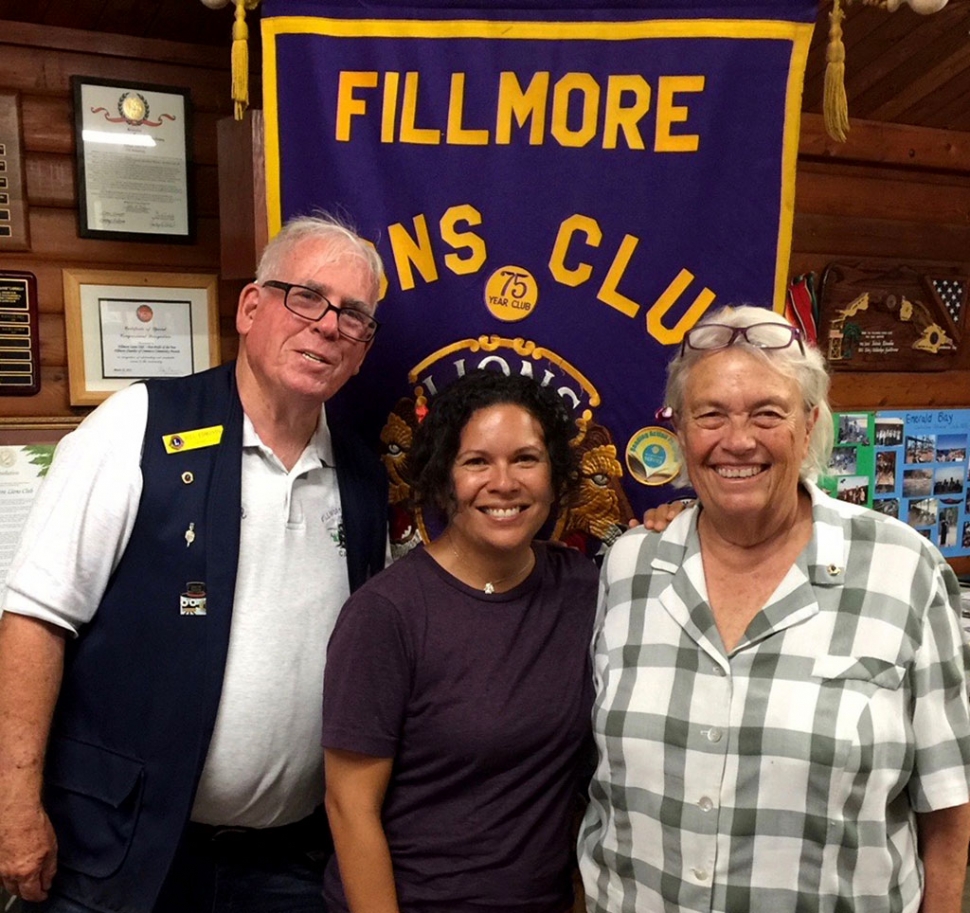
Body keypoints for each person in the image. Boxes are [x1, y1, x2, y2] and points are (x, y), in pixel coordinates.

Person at [0, 215, 389, 913]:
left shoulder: (361, 476)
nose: (328, 325)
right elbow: (35, 619)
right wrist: (14, 807)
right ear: (250, 308)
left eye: (353, 315)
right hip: (117, 852)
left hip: (286, 863)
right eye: (306, 297)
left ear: (362, 350)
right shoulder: (137, 425)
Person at [580, 305, 970, 913]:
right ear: (679, 431)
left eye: (768, 413)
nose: (738, 440)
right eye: (710, 415)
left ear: (811, 425)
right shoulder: (629, 567)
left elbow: (946, 803)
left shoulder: (904, 569)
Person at [321, 370, 598, 913]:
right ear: (444, 478)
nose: (504, 482)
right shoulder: (386, 615)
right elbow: (348, 806)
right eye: (477, 462)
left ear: (555, 473)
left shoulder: (583, 588)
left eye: (525, 459)